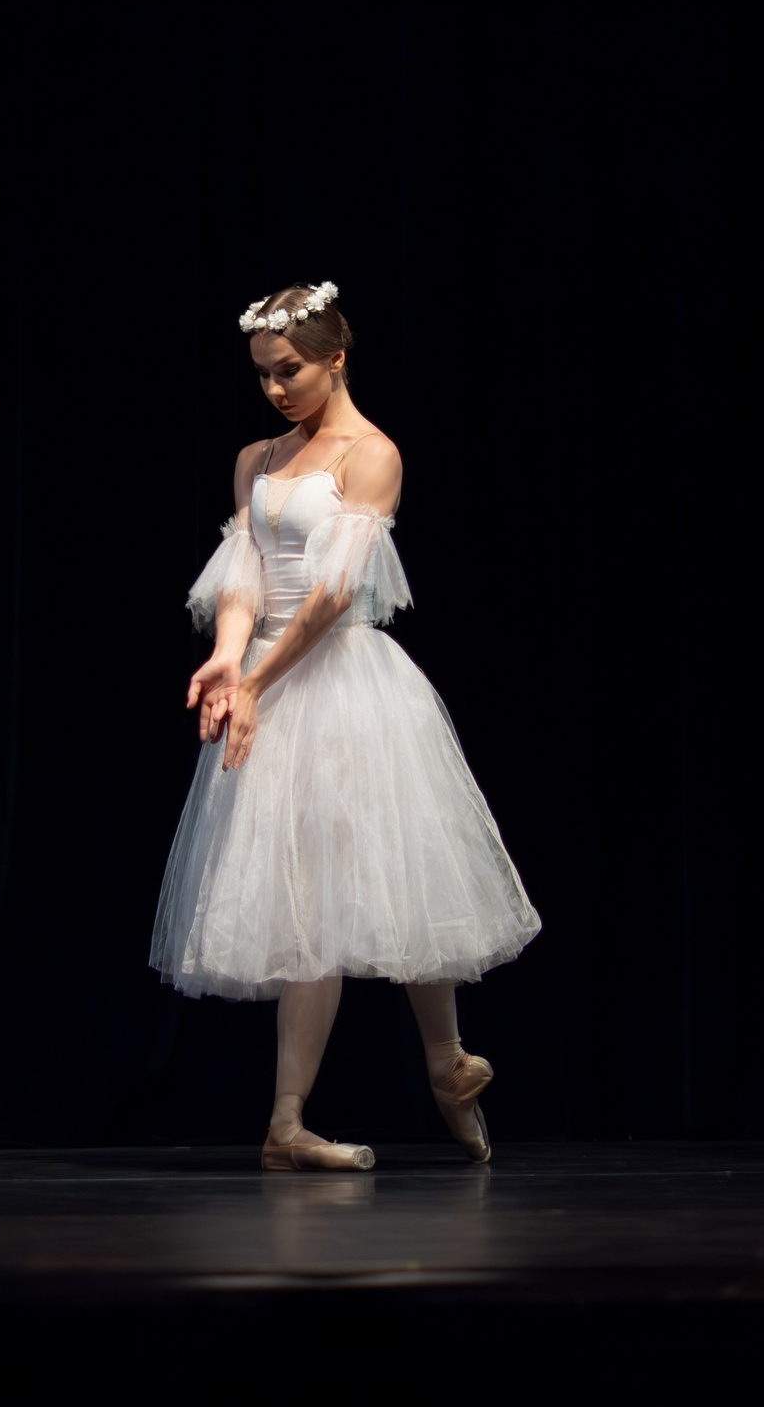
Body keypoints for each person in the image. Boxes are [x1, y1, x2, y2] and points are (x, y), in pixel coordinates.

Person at [153, 283, 540, 1170]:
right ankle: (286, 1124)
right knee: (305, 903)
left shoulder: (372, 456)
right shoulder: (257, 458)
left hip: (347, 683)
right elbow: (246, 577)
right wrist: (227, 657)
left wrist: (254, 680)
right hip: (275, 693)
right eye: (262, 375)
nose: (276, 389)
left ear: (335, 357)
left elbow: (332, 596)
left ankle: (446, 1066)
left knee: (394, 873)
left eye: (289, 371)